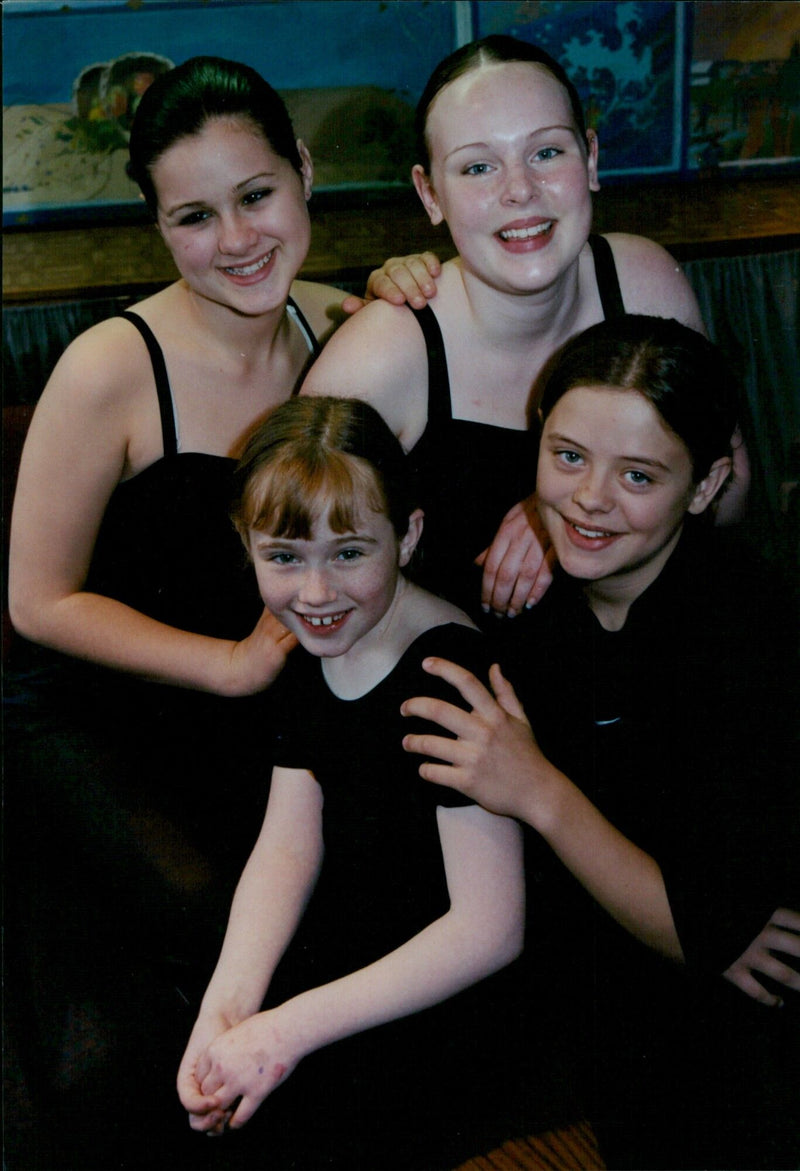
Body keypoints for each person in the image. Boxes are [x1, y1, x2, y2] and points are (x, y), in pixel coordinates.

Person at [3, 56, 410, 1170]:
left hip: (268, 717)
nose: (234, 237)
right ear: (156, 225)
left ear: (305, 175)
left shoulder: (351, 332)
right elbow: (34, 602)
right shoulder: (110, 366)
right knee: (211, 909)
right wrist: (228, 665)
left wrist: (422, 280)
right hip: (97, 715)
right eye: (192, 214)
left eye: (255, 194)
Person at [400, 316, 799, 1169]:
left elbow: (703, 932)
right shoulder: (532, 590)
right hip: (605, 967)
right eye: (568, 456)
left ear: (705, 485)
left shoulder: (745, 629)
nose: (589, 497)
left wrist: (535, 787)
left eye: (640, 475)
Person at [176, 396, 532, 1170]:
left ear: (408, 535)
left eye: (348, 553)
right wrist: (227, 1008)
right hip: (349, 961)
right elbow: (286, 846)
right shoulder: (310, 644)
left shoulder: (447, 673)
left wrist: (283, 1030)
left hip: (445, 1003)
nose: (314, 592)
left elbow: (491, 927)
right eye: (284, 557)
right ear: (247, 544)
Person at [302, 35, 747, 621]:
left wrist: (567, 510)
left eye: (546, 153)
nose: (519, 190)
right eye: (478, 166)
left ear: (591, 158)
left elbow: (730, 499)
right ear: (429, 194)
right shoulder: (379, 356)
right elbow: (304, 581)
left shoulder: (643, 281)